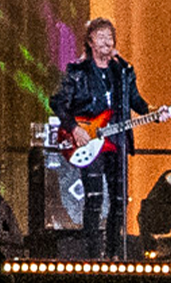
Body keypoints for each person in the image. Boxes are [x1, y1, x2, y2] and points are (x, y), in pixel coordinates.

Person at [49, 18, 144, 262]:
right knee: (94, 199)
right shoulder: (78, 72)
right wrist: (74, 129)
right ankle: (93, 256)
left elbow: (137, 102)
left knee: (120, 200)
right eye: (101, 36)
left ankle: (113, 254)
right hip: (90, 141)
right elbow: (58, 102)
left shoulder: (123, 72)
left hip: (117, 142)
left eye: (110, 36)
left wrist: (157, 111)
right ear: (90, 41)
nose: (107, 41)